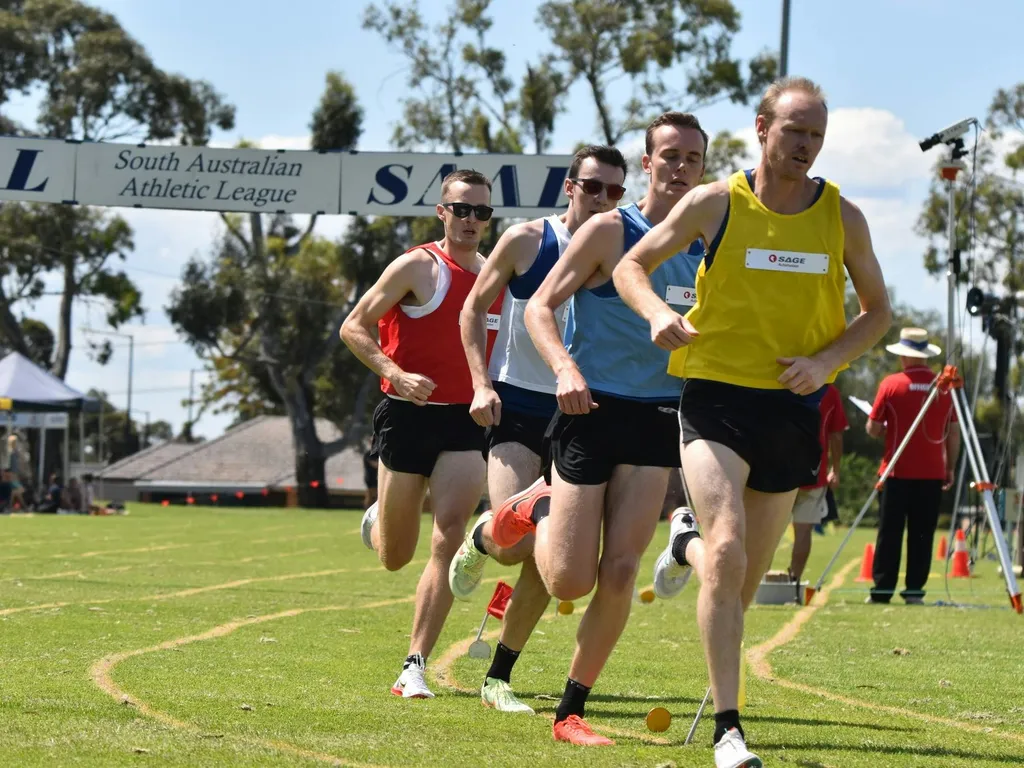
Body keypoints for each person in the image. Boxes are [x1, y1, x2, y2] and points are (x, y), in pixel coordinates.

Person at [612, 76, 891, 767]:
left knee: (744, 579)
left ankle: (683, 545)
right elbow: (631, 266)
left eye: (816, 136)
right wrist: (656, 314)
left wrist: (827, 362)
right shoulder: (716, 203)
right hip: (714, 396)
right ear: (762, 128)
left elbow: (878, 314)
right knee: (730, 545)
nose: (805, 146)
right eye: (794, 130)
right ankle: (729, 730)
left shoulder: (843, 218)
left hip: (793, 407)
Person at [489, 112, 711, 745]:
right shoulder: (612, 231)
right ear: (647, 162)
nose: (680, 166)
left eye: (692, 158)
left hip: (659, 419)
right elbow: (539, 307)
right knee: (569, 579)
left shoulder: (708, 244)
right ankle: (532, 511)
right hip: (591, 411)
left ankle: (570, 713)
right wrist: (562, 369)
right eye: (669, 155)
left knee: (619, 572)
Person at [450, 145, 629, 714]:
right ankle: (484, 536)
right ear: (569, 188)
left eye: (615, 192)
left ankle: (498, 676)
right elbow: (472, 310)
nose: (604, 200)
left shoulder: (626, 246)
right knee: (516, 547)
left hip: (584, 412)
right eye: (593, 187)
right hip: (521, 408)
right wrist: (481, 383)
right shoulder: (530, 240)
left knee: (550, 560)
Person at [339, 168, 502, 699]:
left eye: (481, 211)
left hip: (467, 419)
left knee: (451, 530)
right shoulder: (418, 265)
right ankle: (380, 521)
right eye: (462, 209)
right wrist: (394, 373)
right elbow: (353, 327)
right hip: (408, 413)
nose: (472, 220)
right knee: (395, 555)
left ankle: (415, 663)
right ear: (442, 211)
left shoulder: (499, 275)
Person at [866, 327, 959, 605]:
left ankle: (883, 590)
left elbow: (872, 427)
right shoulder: (944, 387)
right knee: (922, 534)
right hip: (931, 474)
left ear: (904, 356)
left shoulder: (891, 384)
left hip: (895, 472)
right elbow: (953, 432)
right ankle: (915, 591)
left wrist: (883, 428)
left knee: (889, 533)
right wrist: (950, 467)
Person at [788, 382, 848, 583]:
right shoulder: (830, 392)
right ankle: (794, 581)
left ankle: (760, 580)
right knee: (803, 531)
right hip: (813, 473)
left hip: (779, 470)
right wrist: (836, 470)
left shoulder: (781, 383)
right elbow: (836, 435)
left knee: (768, 530)